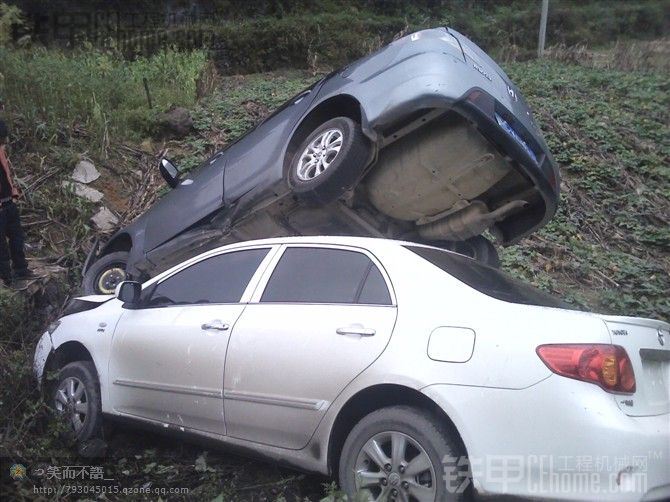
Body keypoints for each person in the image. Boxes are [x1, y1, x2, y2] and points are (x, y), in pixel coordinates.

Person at [0, 118, 32, 286]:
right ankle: (6, 278)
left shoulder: (2, 151)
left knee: (17, 237)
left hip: (7, 201)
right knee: (1, 247)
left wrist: (11, 188)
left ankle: (21, 269)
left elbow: (5, 165)